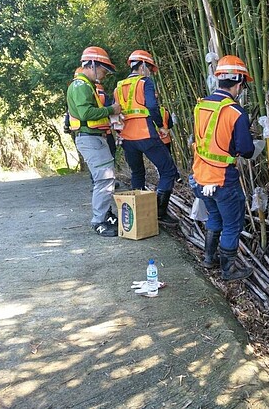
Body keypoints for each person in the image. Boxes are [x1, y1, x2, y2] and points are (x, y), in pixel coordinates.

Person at [189, 55, 255, 281]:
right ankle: (228, 271)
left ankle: (209, 259)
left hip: (199, 177)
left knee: (214, 217)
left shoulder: (200, 106)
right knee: (232, 224)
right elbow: (246, 150)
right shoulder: (236, 112)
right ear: (239, 83)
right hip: (223, 180)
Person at [114, 50, 179, 225]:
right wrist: (161, 126)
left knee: (137, 172)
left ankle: (137, 213)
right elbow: (152, 105)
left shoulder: (119, 86)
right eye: (149, 68)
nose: (150, 72)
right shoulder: (145, 82)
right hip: (146, 134)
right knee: (168, 171)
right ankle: (159, 212)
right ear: (142, 66)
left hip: (127, 138)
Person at [67, 46, 122, 237]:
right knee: (104, 180)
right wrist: (111, 110)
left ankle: (105, 215)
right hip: (89, 138)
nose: (105, 75)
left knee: (106, 179)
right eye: (104, 70)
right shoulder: (80, 86)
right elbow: (85, 113)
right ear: (92, 65)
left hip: (95, 138)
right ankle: (99, 221)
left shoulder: (86, 85)